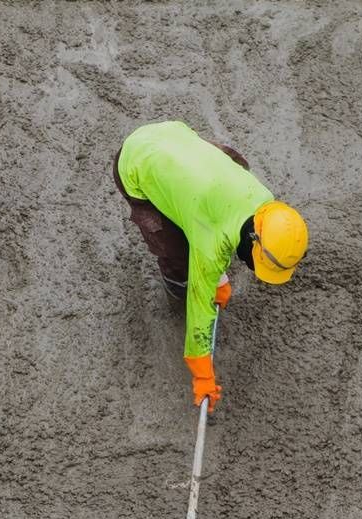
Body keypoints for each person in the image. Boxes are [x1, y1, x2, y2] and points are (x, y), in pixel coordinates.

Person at [114, 120, 309, 412]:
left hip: (175, 137)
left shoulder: (263, 200)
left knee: (222, 175)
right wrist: (202, 372)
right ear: (254, 240)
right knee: (176, 251)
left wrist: (218, 277)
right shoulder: (211, 241)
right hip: (136, 162)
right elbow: (200, 302)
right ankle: (173, 282)